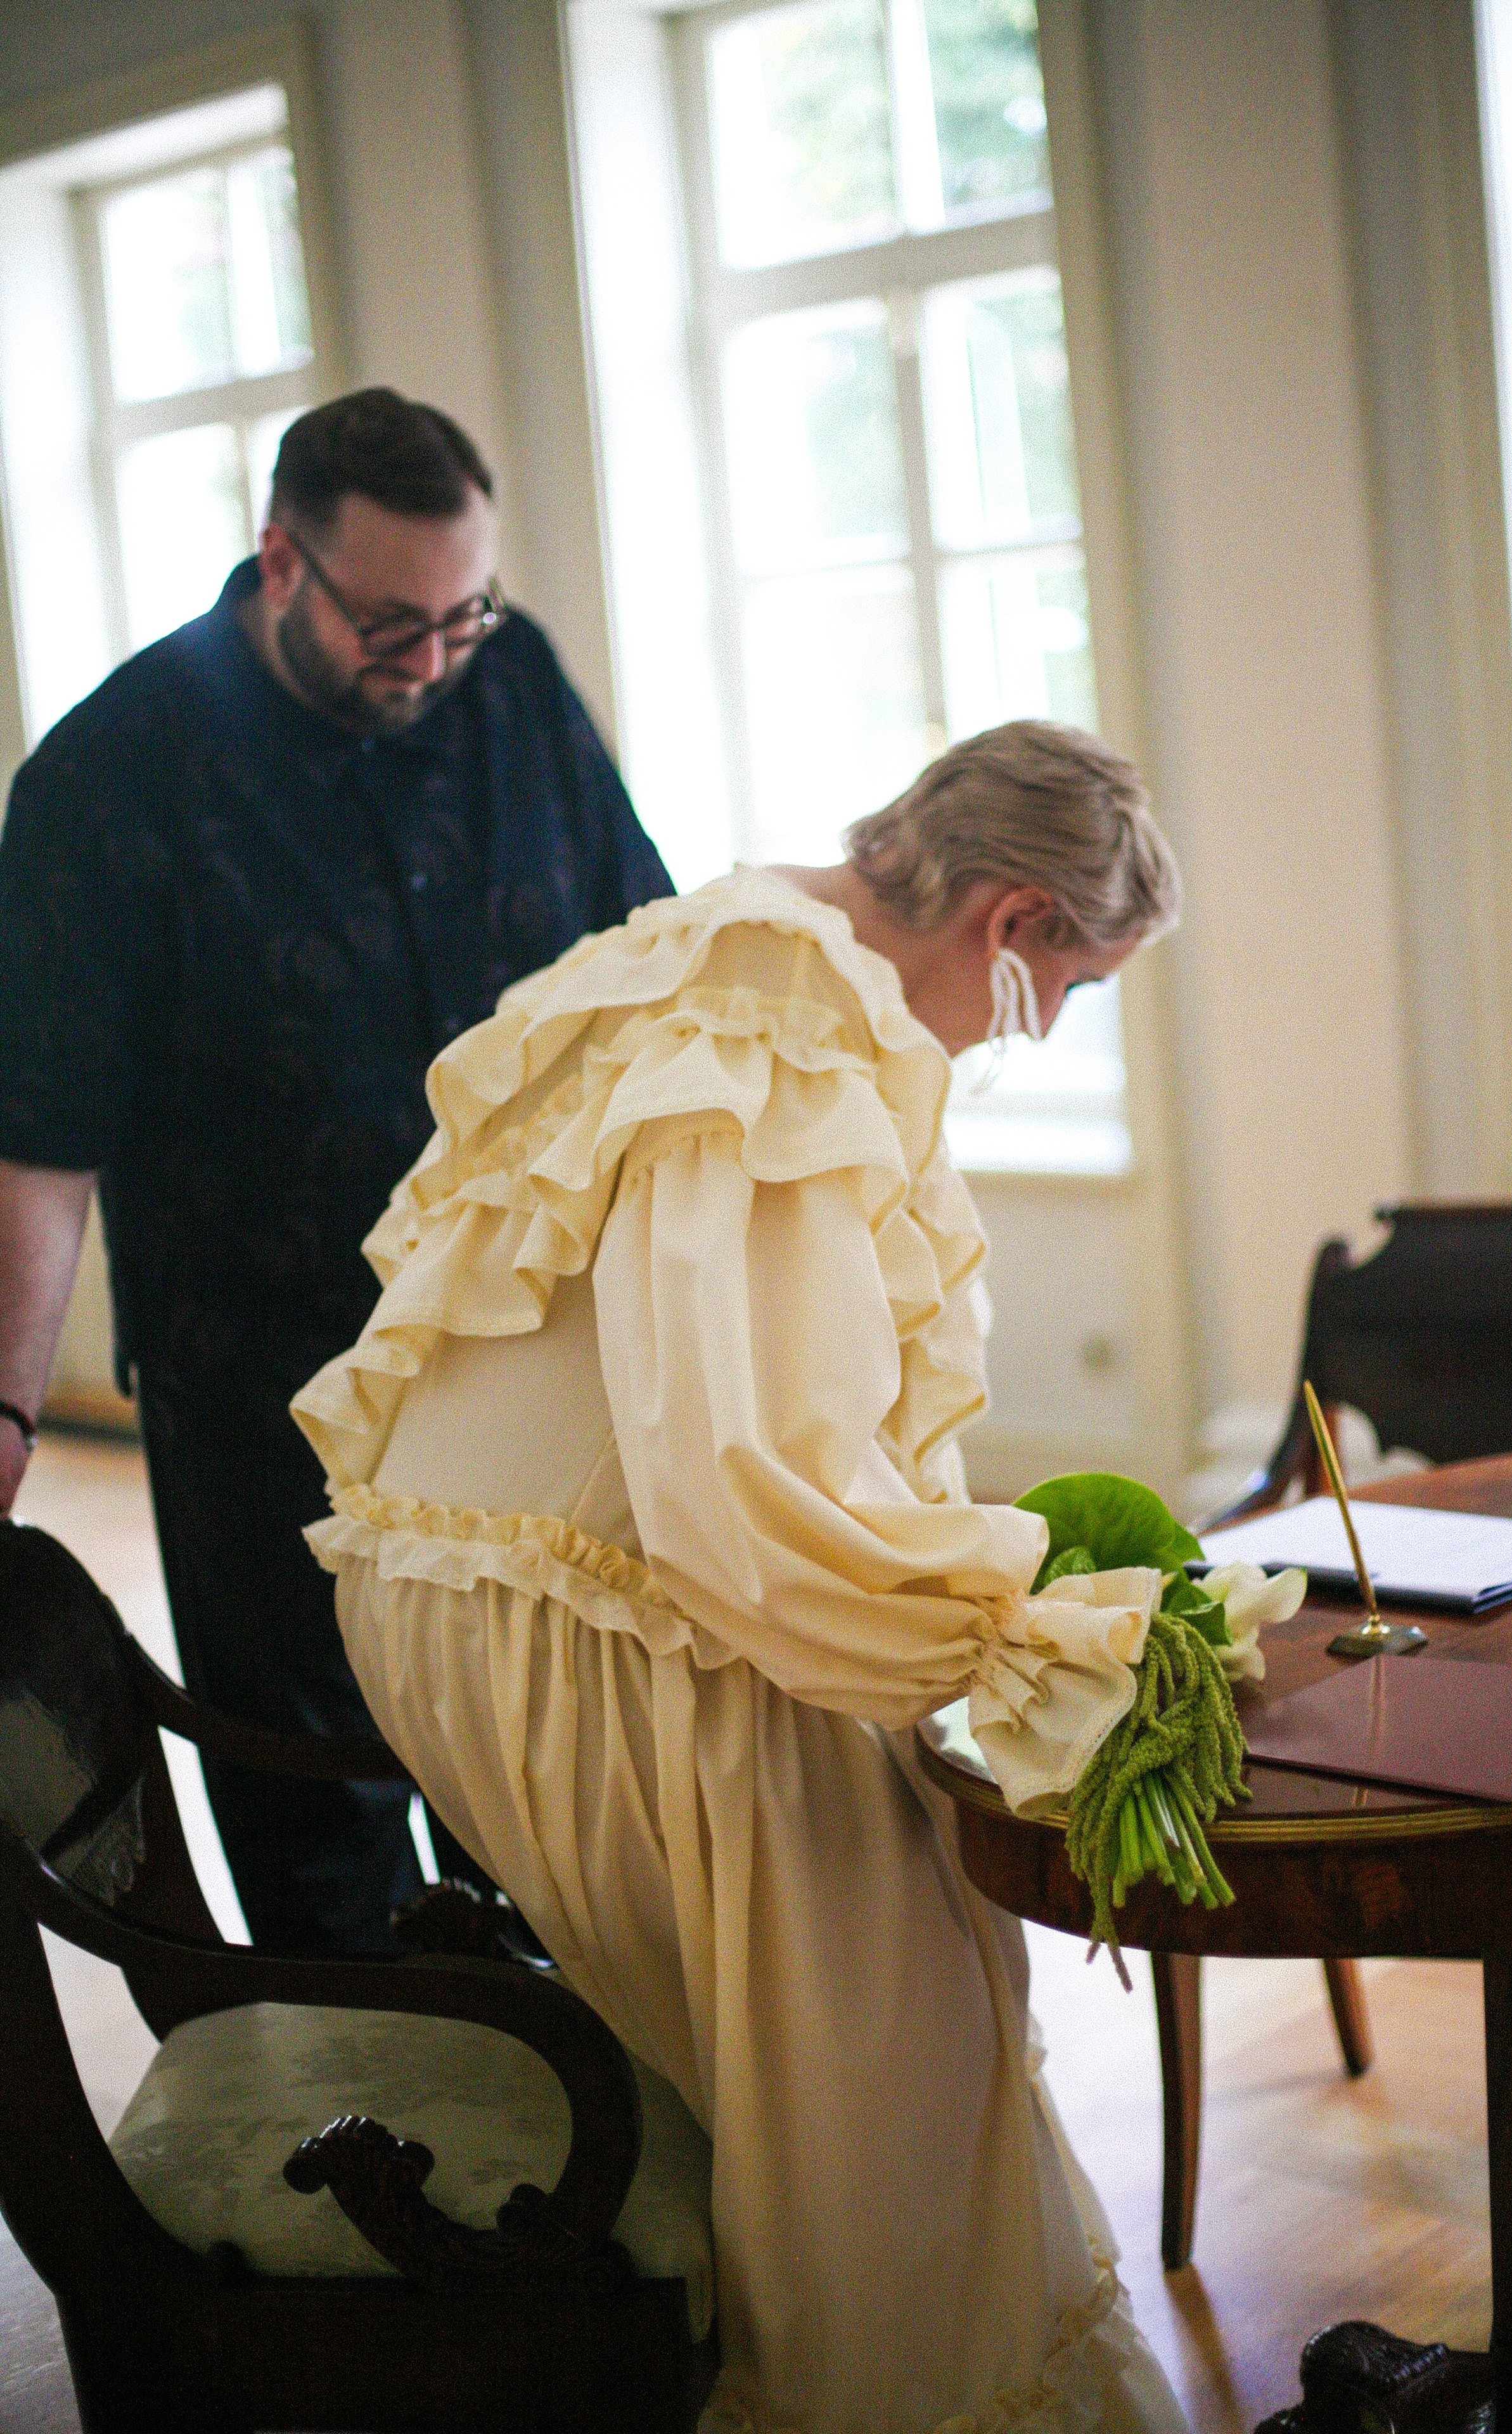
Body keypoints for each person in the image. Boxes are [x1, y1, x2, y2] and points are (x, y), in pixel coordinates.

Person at [292, 720, 1189, 2433]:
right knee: (899, 2040)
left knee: (885, 1958)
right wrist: (997, 1619)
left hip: (485, 1589)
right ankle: (887, 2384)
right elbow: (746, 1477)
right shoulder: (782, 1035)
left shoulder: (724, 937)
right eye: (1073, 989)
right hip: (583, 1622)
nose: (1042, 1033)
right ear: (1012, 922)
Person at [0, 387, 672, 1950]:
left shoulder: (510, 686)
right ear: (279, 562)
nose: (433, 661)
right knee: (321, 1810)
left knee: (546, 1791)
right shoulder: (109, 778)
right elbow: (39, 1138)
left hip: (523, 1366)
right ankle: (356, 2155)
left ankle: (580, 2154)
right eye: (391, 624)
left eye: (461, 614)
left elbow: (643, 970)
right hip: (266, 1388)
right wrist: (10, 1414)